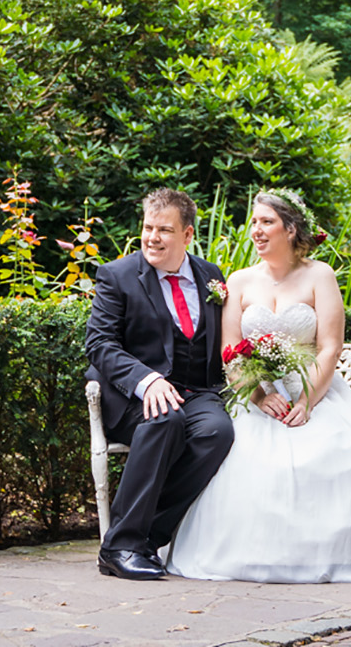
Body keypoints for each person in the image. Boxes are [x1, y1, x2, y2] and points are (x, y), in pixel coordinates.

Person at [165, 190, 351, 582]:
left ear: (291, 228)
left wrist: (307, 402)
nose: (256, 231)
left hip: (313, 388)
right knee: (237, 455)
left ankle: (334, 556)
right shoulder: (240, 281)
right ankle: (249, 555)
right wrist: (259, 395)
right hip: (256, 394)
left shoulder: (320, 275)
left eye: (266, 222)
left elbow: (330, 347)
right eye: (254, 223)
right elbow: (229, 349)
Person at [84, 187, 234, 580]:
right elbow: (99, 344)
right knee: (165, 419)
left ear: (187, 235)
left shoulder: (211, 276)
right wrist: (146, 380)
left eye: (164, 230)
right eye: (148, 227)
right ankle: (118, 547)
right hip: (132, 394)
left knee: (217, 432)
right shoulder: (117, 276)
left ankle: (147, 538)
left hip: (195, 391)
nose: (152, 237)